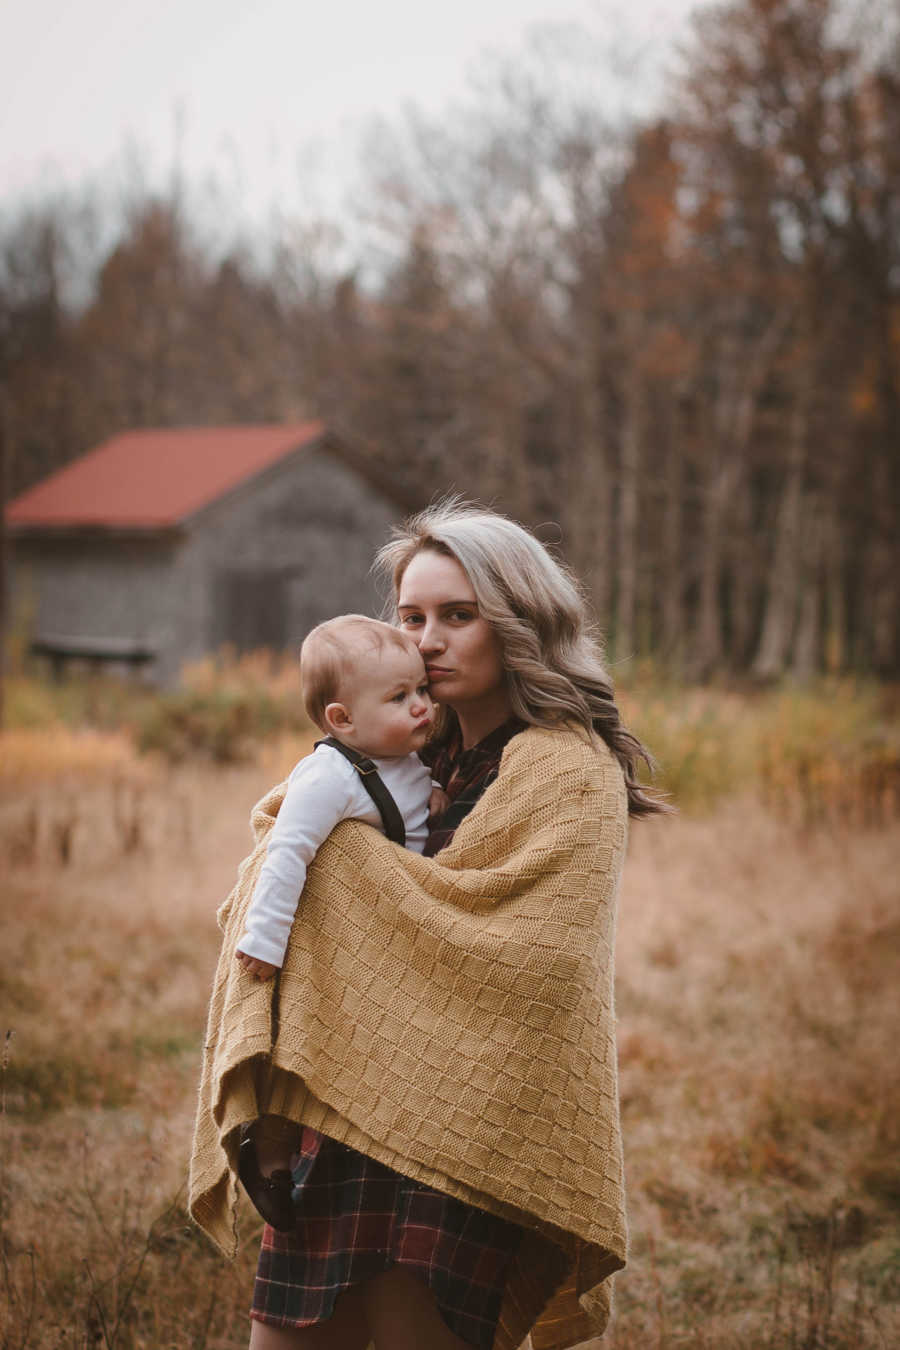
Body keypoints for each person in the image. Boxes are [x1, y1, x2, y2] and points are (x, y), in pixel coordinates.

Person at [190, 499, 667, 1350]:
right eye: (411, 617)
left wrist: (350, 881)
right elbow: (292, 866)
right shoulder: (395, 749)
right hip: (337, 1105)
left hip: (460, 1136)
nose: (429, 639)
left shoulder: (568, 772)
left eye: (458, 615)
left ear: (518, 619)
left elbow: (539, 971)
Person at [233, 614, 445, 1227]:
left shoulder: (404, 758)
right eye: (400, 697)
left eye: (422, 692)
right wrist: (265, 940)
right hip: (326, 946)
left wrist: (432, 796)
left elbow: (406, 813)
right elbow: (288, 853)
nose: (422, 708)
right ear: (341, 721)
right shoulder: (328, 778)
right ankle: (267, 1150)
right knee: (308, 1044)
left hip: (394, 937)